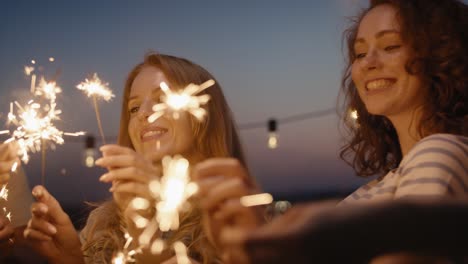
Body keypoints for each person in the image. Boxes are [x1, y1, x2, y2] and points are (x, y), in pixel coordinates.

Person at [192, 0, 468, 263]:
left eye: (390, 46)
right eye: (360, 53)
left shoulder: (439, 151)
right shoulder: (395, 177)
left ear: (442, 56)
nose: (368, 62)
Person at [23, 53, 250, 263]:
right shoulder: (99, 224)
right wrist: (72, 258)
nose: (142, 113)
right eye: (133, 108)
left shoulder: (241, 225)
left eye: (161, 99)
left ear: (203, 115)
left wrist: (146, 243)